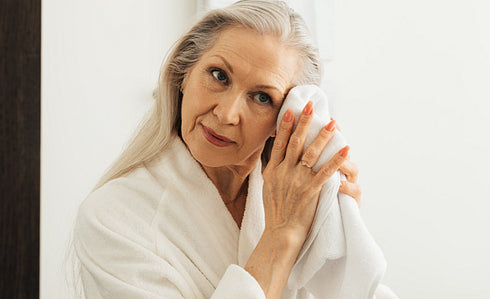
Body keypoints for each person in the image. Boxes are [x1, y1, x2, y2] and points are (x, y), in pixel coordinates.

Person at [70, 1, 380, 298]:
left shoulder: (296, 197)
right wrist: (283, 235)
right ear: (184, 75)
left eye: (261, 98)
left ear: (285, 119)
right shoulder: (112, 217)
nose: (226, 114)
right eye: (219, 76)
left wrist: (332, 219)